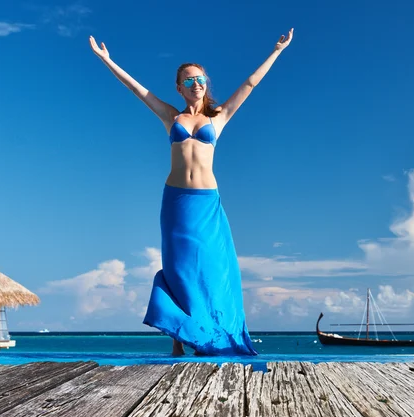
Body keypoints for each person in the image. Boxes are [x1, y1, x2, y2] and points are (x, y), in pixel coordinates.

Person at [90, 28, 293, 355]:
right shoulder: (171, 116)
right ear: (178, 87)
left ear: (206, 83)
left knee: (210, 269)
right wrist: (106, 60)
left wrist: (277, 50)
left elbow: (251, 84)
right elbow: (135, 89)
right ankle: (179, 337)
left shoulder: (219, 115)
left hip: (206, 203)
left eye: (200, 79)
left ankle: (206, 336)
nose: (196, 84)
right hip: (176, 201)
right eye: (188, 80)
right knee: (178, 267)